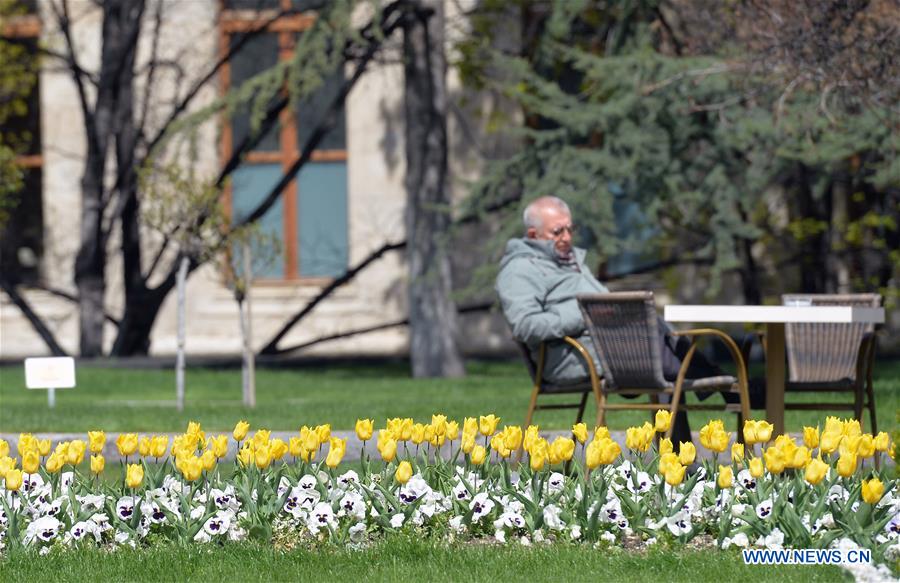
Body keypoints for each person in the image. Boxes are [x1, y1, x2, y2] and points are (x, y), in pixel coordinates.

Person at [495, 195, 748, 446]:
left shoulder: (569, 262)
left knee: (652, 324)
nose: (567, 238)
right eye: (557, 232)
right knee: (662, 352)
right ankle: (727, 385)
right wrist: (587, 314)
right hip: (570, 358)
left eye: (570, 229)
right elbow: (525, 325)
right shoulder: (520, 270)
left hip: (606, 349)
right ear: (533, 235)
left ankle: (681, 458)